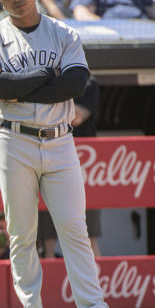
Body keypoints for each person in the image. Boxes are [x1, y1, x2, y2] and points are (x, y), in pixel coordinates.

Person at [0, 0, 127, 308]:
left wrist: (23, 86)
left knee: (74, 228)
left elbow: (75, 84)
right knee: (21, 232)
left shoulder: (62, 31)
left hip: (61, 139)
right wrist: (47, 76)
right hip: (13, 138)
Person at [37, 77, 103, 258]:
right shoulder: (49, 81)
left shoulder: (87, 83)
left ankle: (97, 284)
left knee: (88, 235)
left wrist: (48, 100)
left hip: (84, 168)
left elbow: (77, 116)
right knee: (48, 237)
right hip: (50, 161)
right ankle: (51, 285)